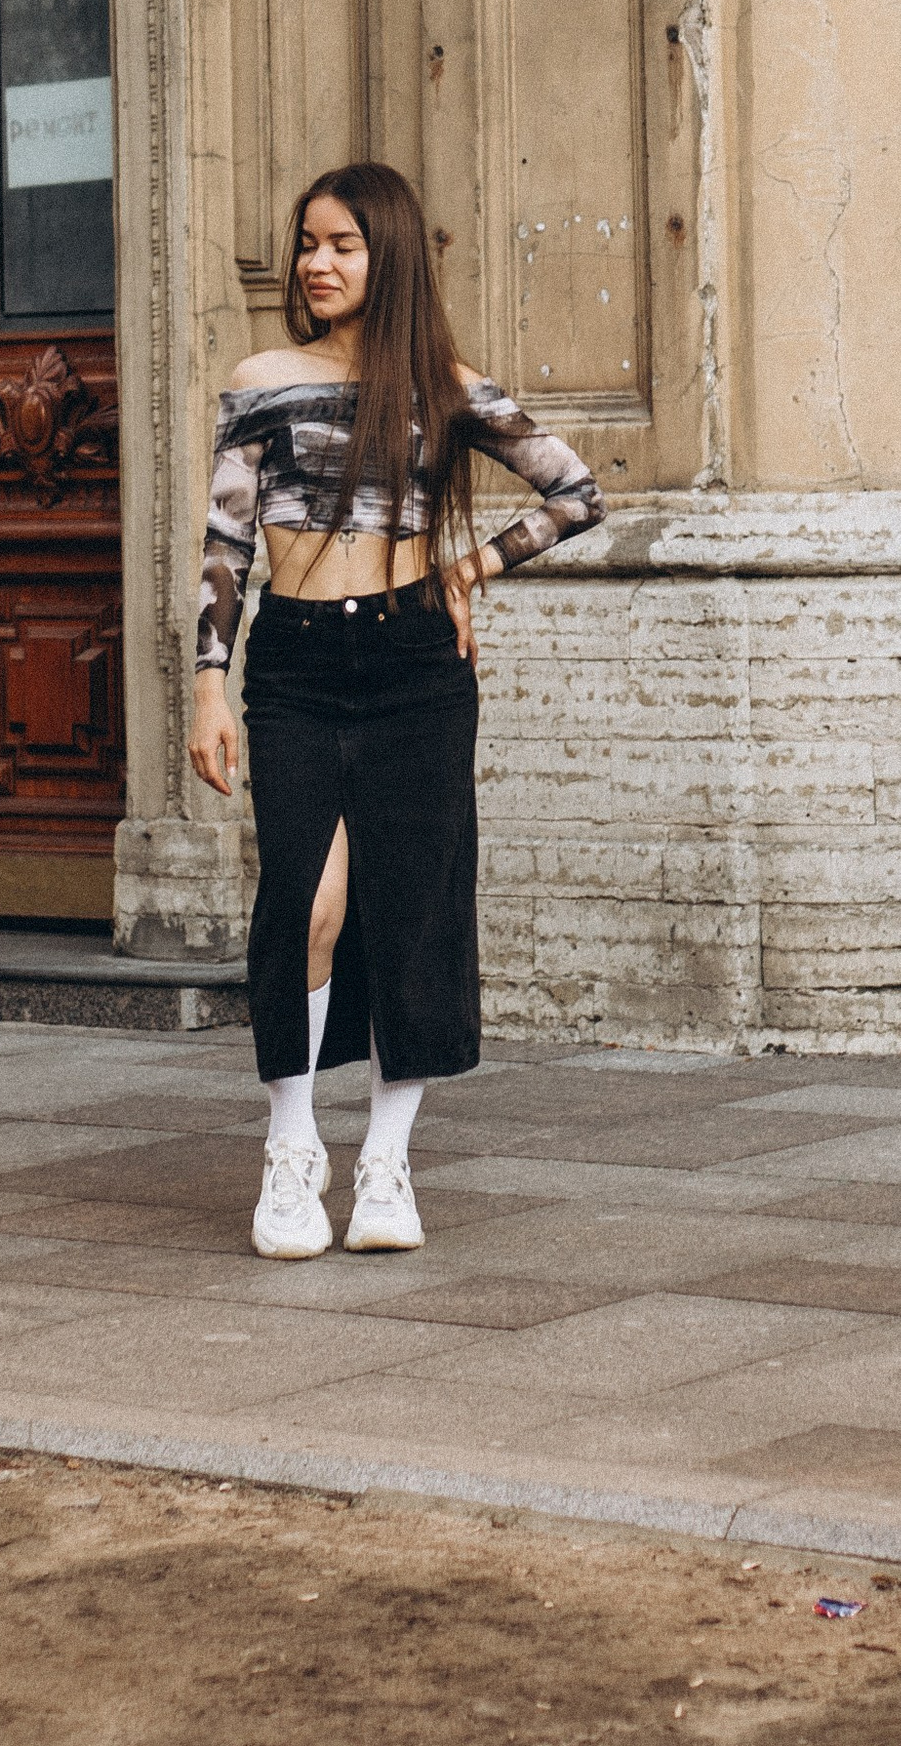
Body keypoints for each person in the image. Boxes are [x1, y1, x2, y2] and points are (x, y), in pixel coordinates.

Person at [189, 159, 605, 1259]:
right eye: (308, 244)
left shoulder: (446, 387)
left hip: (414, 663)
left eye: (342, 246)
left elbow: (575, 494)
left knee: (414, 908)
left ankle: (385, 1162)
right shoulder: (262, 378)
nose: (316, 264)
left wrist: (472, 568)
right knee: (306, 906)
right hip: (295, 666)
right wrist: (206, 687)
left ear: (389, 256)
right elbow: (227, 544)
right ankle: (291, 1154)